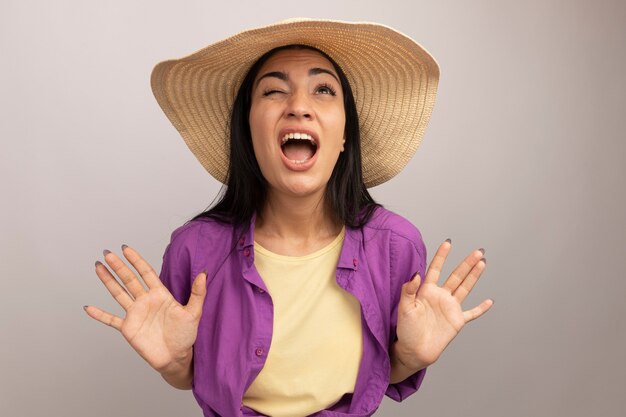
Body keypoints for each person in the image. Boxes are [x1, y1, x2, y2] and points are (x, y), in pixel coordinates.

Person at [84, 18, 493, 417]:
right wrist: (173, 365)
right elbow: (190, 370)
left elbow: (381, 377)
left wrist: (410, 355)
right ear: (247, 128)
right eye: (274, 92)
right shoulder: (195, 250)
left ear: (346, 133)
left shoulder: (396, 248)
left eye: (323, 90)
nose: (299, 107)